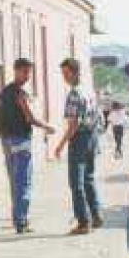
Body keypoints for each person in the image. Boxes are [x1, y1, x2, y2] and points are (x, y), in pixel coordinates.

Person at [0, 58, 55, 234]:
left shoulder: (5, 91)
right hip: (20, 140)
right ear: (16, 71)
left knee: (14, 181)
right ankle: (21, 221)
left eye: (29, 72)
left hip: (6, 139)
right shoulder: (19, 94)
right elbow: (29, 118)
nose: (28, 76)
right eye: (25, 72)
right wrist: (47, 127)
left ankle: (18, 218)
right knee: (23, 181)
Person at [52, 58, 103, 235]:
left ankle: (83, 221)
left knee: (76, 182)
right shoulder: (89, 91)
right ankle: (96, 214)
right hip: (92, 136)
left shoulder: (74, 94)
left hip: (80, 138)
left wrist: (60, 145)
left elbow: (73, 125)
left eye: (66, 73)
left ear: (74, 72)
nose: (64, 77)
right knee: (89, 178)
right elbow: (98, 116)